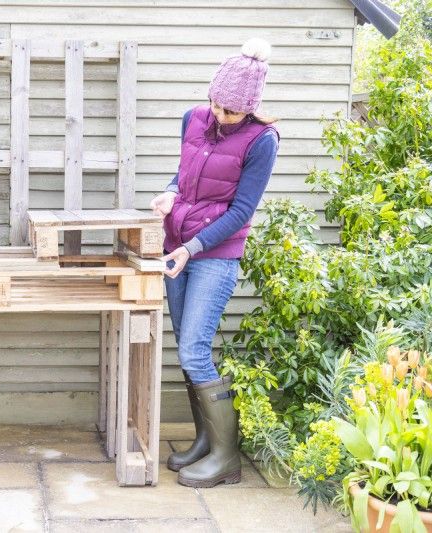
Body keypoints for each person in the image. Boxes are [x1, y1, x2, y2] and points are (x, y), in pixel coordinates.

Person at [149, 37, 280, 488]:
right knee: (188, 355)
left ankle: (226, 457)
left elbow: (242, 210)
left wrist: (193, 247)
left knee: (195, 351)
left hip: (213, 255)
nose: (220, 116)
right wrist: (169, 190)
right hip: (177, 248)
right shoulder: (194, 118)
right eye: (216, 105)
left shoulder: (262, 140)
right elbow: (185, 174)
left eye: (231, 111)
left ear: (249, 108)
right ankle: (205, 444)